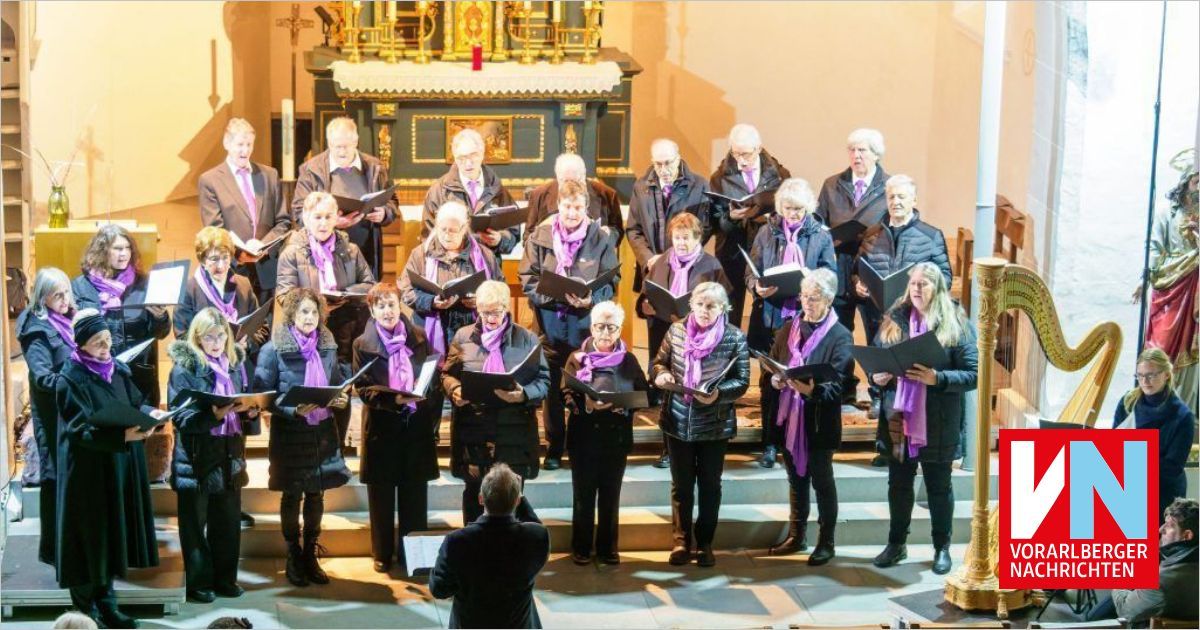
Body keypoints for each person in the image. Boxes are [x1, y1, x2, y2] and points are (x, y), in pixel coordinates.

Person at [55, 310, 164, 628]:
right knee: (90, 538)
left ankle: (107, 603)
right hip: (86, 472)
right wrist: (121, 435)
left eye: (107, 340)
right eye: (97, 343)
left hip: (116, 465)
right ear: (81, 345)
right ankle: (85, 610)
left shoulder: (117, 369)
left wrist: (150, 413)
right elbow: (78, 429)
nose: (105, 347)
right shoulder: (70, 378)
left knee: (110, 536)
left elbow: (132, 402)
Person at [869, 262, 977, 576]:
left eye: (923, 284)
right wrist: (878, 375)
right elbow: (876, 356)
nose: (916, 289)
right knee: (898, 485)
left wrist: (937, 378)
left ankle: (941, 548)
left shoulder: (956, 323)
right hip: (899, 417)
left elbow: (973, 374)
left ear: (938, 288)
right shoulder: (895, 319)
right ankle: (896, 544)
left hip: (937, 419)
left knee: (938, 487)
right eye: (913, 283)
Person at [253, 288, 352, 588]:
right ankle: (293, 554)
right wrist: (293, 409)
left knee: (316, 493)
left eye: (313, 312)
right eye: (303, 312)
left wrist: (340, 399)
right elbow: (263, 398)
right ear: (292, 315)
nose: (309, 318)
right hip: (291, 433)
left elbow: (336, 385)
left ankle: (310, 552)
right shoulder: (273, 349)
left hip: (321, 432)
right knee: (292, 493)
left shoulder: (328, 346)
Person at [519, 179, 620, 470]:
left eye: (578, 207)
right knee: (551, 388)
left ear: (586, 207)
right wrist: (553, 295)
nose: (572, 213)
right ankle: (553, 447)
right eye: (567, 206)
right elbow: (527, 278)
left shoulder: (599, 238)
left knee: (582, 384)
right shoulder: (540, 235)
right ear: (558, 206)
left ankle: (580, 446)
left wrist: (590, 300)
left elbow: (611, 280)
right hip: (550, 324)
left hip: (584, 326)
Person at [650, 282, 750, 567]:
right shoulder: (676, 331)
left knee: (709, 485)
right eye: (701, 304)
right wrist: (661, 376)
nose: (705, 311)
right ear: (691, 304)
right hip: (678, 419)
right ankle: (681, 542)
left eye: (712, 306)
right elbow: (659, 363)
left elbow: (742, 381)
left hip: (714, 423)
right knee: (681, 486)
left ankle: (705, 542)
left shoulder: (734, 337)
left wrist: (719, 394)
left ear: (723, 309)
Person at [441, 280, 550, 525]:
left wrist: (523, 394)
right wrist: (455, 389)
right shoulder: (463, 336)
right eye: (485, 312)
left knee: (512, 503)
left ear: (506, 307)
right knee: (474, 498)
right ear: (477, 310)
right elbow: (447, 374)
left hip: (513, 433)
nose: (491, 317)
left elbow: (543, 381)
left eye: (497, 311)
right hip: (474, 434)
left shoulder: (527, 339)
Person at [167, 308, 256, 603]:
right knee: (194, 524)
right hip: (196, 456)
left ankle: (225, 579)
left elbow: (245, 407)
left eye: (221, 336)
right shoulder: (184, 368)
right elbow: (181, 419)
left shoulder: (234, 366)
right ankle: (199, 582)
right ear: (197, 337)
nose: (216, 342)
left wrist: (251, 412)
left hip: (229, 454)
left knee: (228, 522)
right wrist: (215, 416)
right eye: (209, 337)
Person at [746, 177, 836, 468]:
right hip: (773, 316)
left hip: (805, 317)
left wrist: (811, 280)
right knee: (771, 380)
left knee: (801, 380)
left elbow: (831, 276)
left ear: (808, 207)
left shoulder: (821, 235)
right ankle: (769, 443)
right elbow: (753, 272)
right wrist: (755, 286)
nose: (793, 214)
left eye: (798, 209)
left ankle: (797, 441)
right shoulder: (766, 232)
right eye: (787, 208)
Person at [856, 174, 951, 444]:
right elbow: (857, 268)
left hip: (913, 317)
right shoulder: (873, 233)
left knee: (907, 377)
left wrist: (919, 289)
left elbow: (944, 275)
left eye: (901, 197)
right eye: (891, 197)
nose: (895, 202)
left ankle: (911, 443)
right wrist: (858, 284)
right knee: (882, 373)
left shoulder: (931, 235)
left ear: (914, 200)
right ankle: (885, 444)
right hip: (879, 312)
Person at [764, 268, 852, 564]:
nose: (807, 303)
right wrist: (775, 380)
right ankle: (796, 534)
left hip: (818, 422)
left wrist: (810, 390)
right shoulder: (789, 328)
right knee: (795, 479)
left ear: (828, 300)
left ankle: (826, 541)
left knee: (822, 481)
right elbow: (775, 363)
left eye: (814, 298)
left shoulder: (840, 336)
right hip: (790, 417)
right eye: (804, 297)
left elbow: (838, 385)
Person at [352, 283, 440, 574]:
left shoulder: (418, 336)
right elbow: (363, 389)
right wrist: (394, 399)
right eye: (381, 306)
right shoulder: (361, 345)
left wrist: (422, 390)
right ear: (372, 310)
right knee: (382, 496)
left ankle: (413, 553)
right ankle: (382, 553)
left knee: (414, 493)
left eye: (392, 304)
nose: (388, 311)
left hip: (414, 425)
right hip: (382, 426)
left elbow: (431, 375)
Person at [278, 191, 375, 446]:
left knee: (340, 393)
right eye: (317, 217)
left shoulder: (351, 250)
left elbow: (369, 285)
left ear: (336, 218)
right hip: (307, 335)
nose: (322, 223)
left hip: (344, 330)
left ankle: (337, 450)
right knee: (310, 394)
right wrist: (316, 304)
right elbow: (284, 295)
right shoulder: (292, 252)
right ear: (306, 218)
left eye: (328, 216)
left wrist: (345, 294)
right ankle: (309, 451)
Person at [638, 212, 731, 469]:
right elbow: (647, 293)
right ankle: (668, 450)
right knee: (670, 397)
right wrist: (646, 305)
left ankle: (695, 449)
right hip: (668, 336)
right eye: (676, 237)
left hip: (700, 342)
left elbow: (724, 304)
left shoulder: (711, 265)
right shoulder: (662, 261)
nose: (680, 243)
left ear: (698, 237)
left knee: (693, 395)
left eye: (686, 238)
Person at [561, 302, 648, 565]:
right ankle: (582, 547)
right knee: (583, 495)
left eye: (612, 327)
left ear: (620, 329)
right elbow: (565, 391)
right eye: (600, 326)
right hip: (584, 436)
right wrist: (583, 405)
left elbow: (645, 394)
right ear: (591, 327)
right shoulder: (577, 358)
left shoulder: (629, 360)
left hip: (615, 436)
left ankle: (608, 548)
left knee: (610, 495)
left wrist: (623, 405)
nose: (605, 333)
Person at [816, 128, 892, 407]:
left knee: (876, 333)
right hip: (839, 266)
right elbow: (818, 221)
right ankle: (845, 387)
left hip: (872, 268)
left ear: (876, 154)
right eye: (853, 150)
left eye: (863, 150)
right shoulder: (832, 184)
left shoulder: (888, 186)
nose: (856, 155)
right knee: (840, 331)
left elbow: (892, 231)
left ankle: (878, 392)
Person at [429, 463, 551, 629]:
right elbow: (534, 525)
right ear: (517, 500)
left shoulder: (457, 542)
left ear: (481, 499)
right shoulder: (536, 537)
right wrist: (519, 497)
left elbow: (439, 589)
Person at [71, 224, 171, 408]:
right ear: (102, 251)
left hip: (137, 377)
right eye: (117, 248)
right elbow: (73, 332)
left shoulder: (145, 284)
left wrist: (160, 317)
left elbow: (161, 333)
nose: (124, 253)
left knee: (138, 432)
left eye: (127, 248)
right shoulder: (80, 286)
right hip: (96, 374)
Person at [16, 267, 77, 566]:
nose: (65, 299)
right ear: (42, 299)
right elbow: (43, 377)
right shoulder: (36, 329)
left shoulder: (65, 320)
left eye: (67, 292)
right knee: (53, 476)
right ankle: (53, 549)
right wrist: (79, 381)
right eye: (57, 295)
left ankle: (68, 543)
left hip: (70, 411)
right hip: (52, 415)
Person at [197, 117, 292, 300]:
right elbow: (214, 230)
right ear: (227, 143)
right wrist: (239, 254)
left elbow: (283, 221)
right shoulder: (210, 181)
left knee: (265, 327)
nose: (245, 150)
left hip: (266, 270)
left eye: (249, 144)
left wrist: (264, 246)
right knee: (237, 326)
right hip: (233, 270)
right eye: (240, 144)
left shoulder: (269, 175)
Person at [708, 123, 792, 327]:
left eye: (746, 154)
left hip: (767, 245)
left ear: (759, 149)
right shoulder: (720, 178)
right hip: (733, 248)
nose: (741, 161)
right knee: (731, 304)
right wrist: (731, 217)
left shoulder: (779, 174)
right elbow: (714, 221)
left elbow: (790, 208)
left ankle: (765, 351)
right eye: (736, 154)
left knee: (767, 301)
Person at [400, 200, 504, 363]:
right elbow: (406, 290)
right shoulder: (420, 254)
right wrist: (431, 302)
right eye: (443, 229)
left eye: (453, 230)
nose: (447, 235)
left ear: (464, 229)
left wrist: (481, 301)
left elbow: (500, 290)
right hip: (429, 332)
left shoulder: (484, 255)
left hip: (472, 334)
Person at [292, 116, 397, 278]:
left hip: (366, 252)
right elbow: (299, 211)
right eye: (336, 147)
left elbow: (392, 201)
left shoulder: (375, 167)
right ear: (329, 143)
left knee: (364, 296)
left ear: (356, 142)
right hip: (324, 254)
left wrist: (384, 213)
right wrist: (331, 221)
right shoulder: (311, 170)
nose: (341, 152)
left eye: (346, 147)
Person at [1087, 498, 1198, 625]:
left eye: (1170, 525)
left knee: (1093, 619)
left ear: (1187, 535)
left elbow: (1125, 609)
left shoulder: (1162, 581)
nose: (1161, 530)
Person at [1142, 167, 1198, 417]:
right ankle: (1153, 401)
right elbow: (1154, 246)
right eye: (1197, 182)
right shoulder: (1168, 214)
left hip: (1195, 288)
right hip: (1169, 284)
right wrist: (1146, 277)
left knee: (1191, 348)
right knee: (1161, 343)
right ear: (1186, 184)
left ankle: (1183, 408)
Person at [1114, 348, 1195, 516]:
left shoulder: (1183, 416)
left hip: (1163, 492)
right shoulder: (1127, 403)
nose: (1145, 381)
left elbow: (1172, 467)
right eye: (1140, 375)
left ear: (1166, 374)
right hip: (1127, 484)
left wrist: (1133, 457)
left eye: (1151, 375)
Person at [173, 226, 268, 367]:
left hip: (240, 367)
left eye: (225, 258)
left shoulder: (244, 284)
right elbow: (182, 336)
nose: (221, 266)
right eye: (214, 259)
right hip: (206, 371)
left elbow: (262, 327)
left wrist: (247, 345)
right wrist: (217, 347)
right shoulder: (188, 290)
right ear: (203, 260)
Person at [626, 138, 711, 291]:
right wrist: (649, 258)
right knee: (651, 312)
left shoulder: (699, 186)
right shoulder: (640, 187)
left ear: (678, 159)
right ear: (652, 161)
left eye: (668, 163)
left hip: (687, 268)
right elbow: (634, 230)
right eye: (658, 164)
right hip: (652, 268)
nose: (664, 170)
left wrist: (678, 255)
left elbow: (705, 227)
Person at [421, 128, 519, 256]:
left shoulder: (497, 189)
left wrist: (500, 240)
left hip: (488, 266)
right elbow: (428, 239)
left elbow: (513, 232)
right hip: (452, 269)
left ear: (482, 154)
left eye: (473, 156)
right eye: (461, 158)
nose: (468, 163)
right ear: (454, 158)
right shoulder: (438, 191)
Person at [524, 152, 624, 244]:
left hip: (593, 258)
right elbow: (527, 238)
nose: (571, 187)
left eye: (576, 181)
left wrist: (608, 234)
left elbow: (618, 232)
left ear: (584, 176)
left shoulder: (607, 195)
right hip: (551, 258)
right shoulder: (539, 195)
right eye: (565, 181)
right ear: (558, 177)